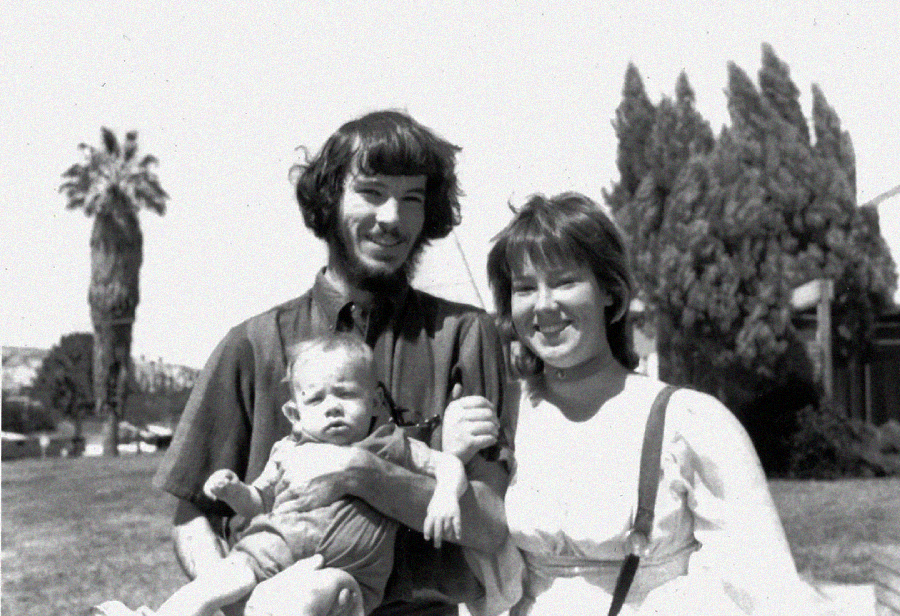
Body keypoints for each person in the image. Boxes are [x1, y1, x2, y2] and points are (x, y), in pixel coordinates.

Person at [152, 110, 512, 616]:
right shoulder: (252, 345)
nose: (392, 218)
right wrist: (250, 604)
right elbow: (193, 517)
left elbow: (491, 526)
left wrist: (363, 471)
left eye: (412, 198)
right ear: (329, 200)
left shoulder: (465, 337)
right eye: (371, 192)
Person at [485, 192, 836, 615]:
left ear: (609, 292)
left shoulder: (688, 421)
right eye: (525, 288)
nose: (543, 304)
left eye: (564, 282)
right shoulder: (503, 415)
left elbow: (764, 587)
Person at [95, 335, 469, 616]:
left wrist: (446, 496)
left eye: (346, 394)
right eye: (316, 399)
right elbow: (258, 503)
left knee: (313, 597)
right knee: (214, 585)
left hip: (350, 576)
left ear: (373, 402)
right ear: (294, 414)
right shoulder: (288, 451)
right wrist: (234, 491)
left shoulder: (390, 445)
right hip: (271, 550)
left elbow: (448, 464)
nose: (333, 408)